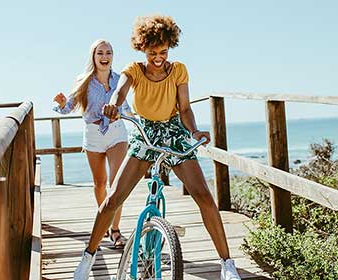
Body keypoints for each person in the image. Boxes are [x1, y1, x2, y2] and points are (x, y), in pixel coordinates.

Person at [73, 15, 241, 280]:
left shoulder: (178, 70)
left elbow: (184, 109)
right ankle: (88, 257)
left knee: (204, 196)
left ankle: (227, 265)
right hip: (145, 132)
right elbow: (120, 92)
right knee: (113, 198)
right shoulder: (134, 70)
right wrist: (114, 107)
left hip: (173, 130)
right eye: (153, 52)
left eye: (163, 51)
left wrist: (194, 131)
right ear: (143, 48)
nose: (158, 57)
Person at [52, 39, 132, 249]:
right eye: (100, 53)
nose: (105, 57)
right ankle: (104, 220)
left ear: (112, 56)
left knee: (117, 184)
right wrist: (61, 104)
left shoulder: (120, 79)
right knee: (100, 184)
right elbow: (68, 107)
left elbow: (127, 108)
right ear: (93, 57)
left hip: (117, 133)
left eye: (108, 52)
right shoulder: (84, 81)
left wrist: (141, 120)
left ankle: (115, 230)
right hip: (93, 135)